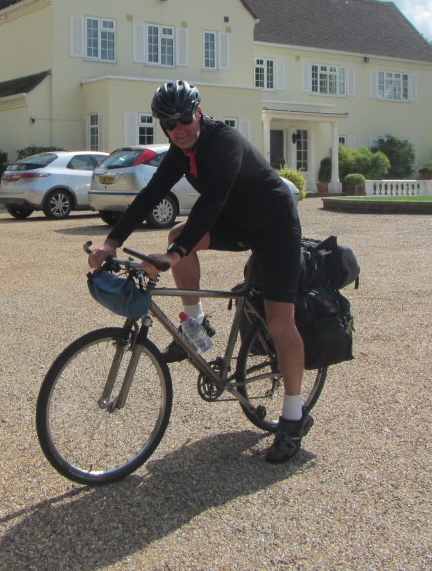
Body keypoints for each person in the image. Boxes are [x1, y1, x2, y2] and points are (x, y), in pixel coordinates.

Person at [88, 80, 312, 463]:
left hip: (274, 225)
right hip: (236, 222)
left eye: (184, 119)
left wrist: (173, 256)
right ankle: (196, 326)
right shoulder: (181, 150)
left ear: (199, 112)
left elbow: (212, 202)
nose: (178, 129)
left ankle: (294, 416)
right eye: (168, 124)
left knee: (279, 319)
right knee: (179, 233)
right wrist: (111, 243)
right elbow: (150, 195)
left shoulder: (225, 142)